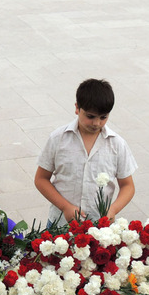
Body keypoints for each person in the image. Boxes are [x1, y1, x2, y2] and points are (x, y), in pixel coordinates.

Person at [34, 78, 137, 227]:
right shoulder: (58, 139)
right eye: (90, 116)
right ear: (77, 108)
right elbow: (41, 179)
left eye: (103, 117)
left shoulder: (117, 144)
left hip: (99, 227)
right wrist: (65, 207)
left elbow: (128, 185)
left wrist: (113, 209)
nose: (97, 123)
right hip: (60, 224)